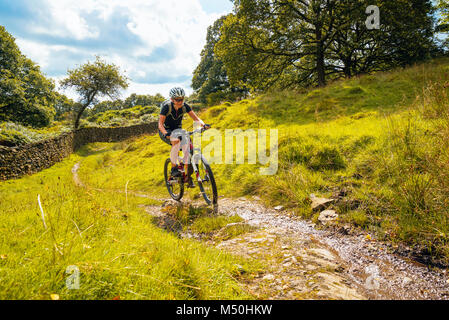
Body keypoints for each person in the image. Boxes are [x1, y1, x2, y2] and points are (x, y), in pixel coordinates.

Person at [158, 87, 208, 188]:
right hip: (165, 130)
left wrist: (203, 125)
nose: (180, 101)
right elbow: (160, 124)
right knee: (175, 141)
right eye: (177, 99)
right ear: (172, 99)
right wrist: (165, 133)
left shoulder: (185, 106)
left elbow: (196, 118)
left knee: (189, 150)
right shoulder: (166, 107)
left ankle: (187, 177)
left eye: (182, 99)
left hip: (178, 130)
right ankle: (174, 169)